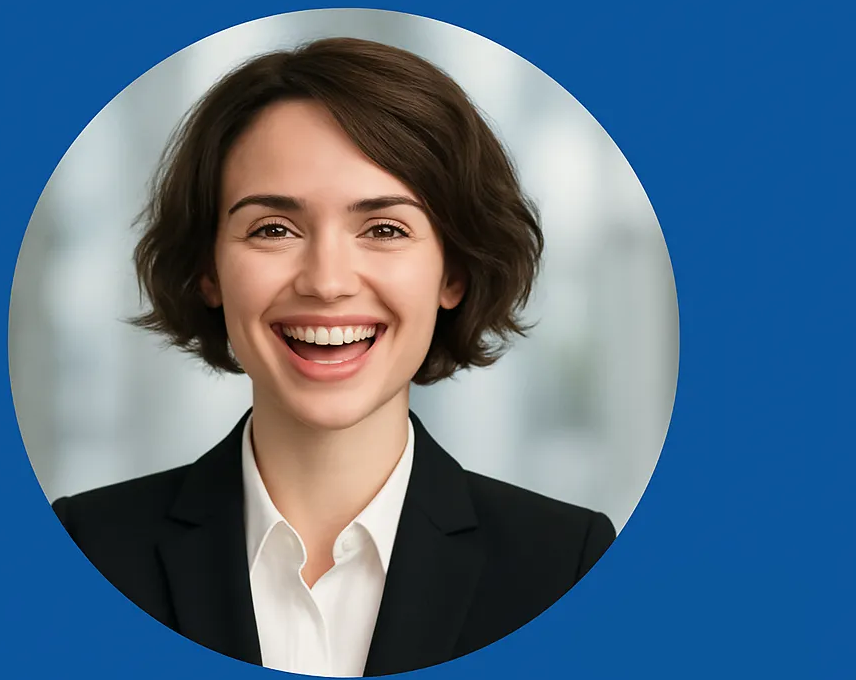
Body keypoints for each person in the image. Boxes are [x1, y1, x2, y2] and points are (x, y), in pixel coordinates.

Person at [51, 37, 616, 677]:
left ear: (452, 273)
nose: (326, 281)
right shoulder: (84, 549)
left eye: (384, 229)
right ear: (208, 269)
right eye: (273, 229)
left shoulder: (567, 565)